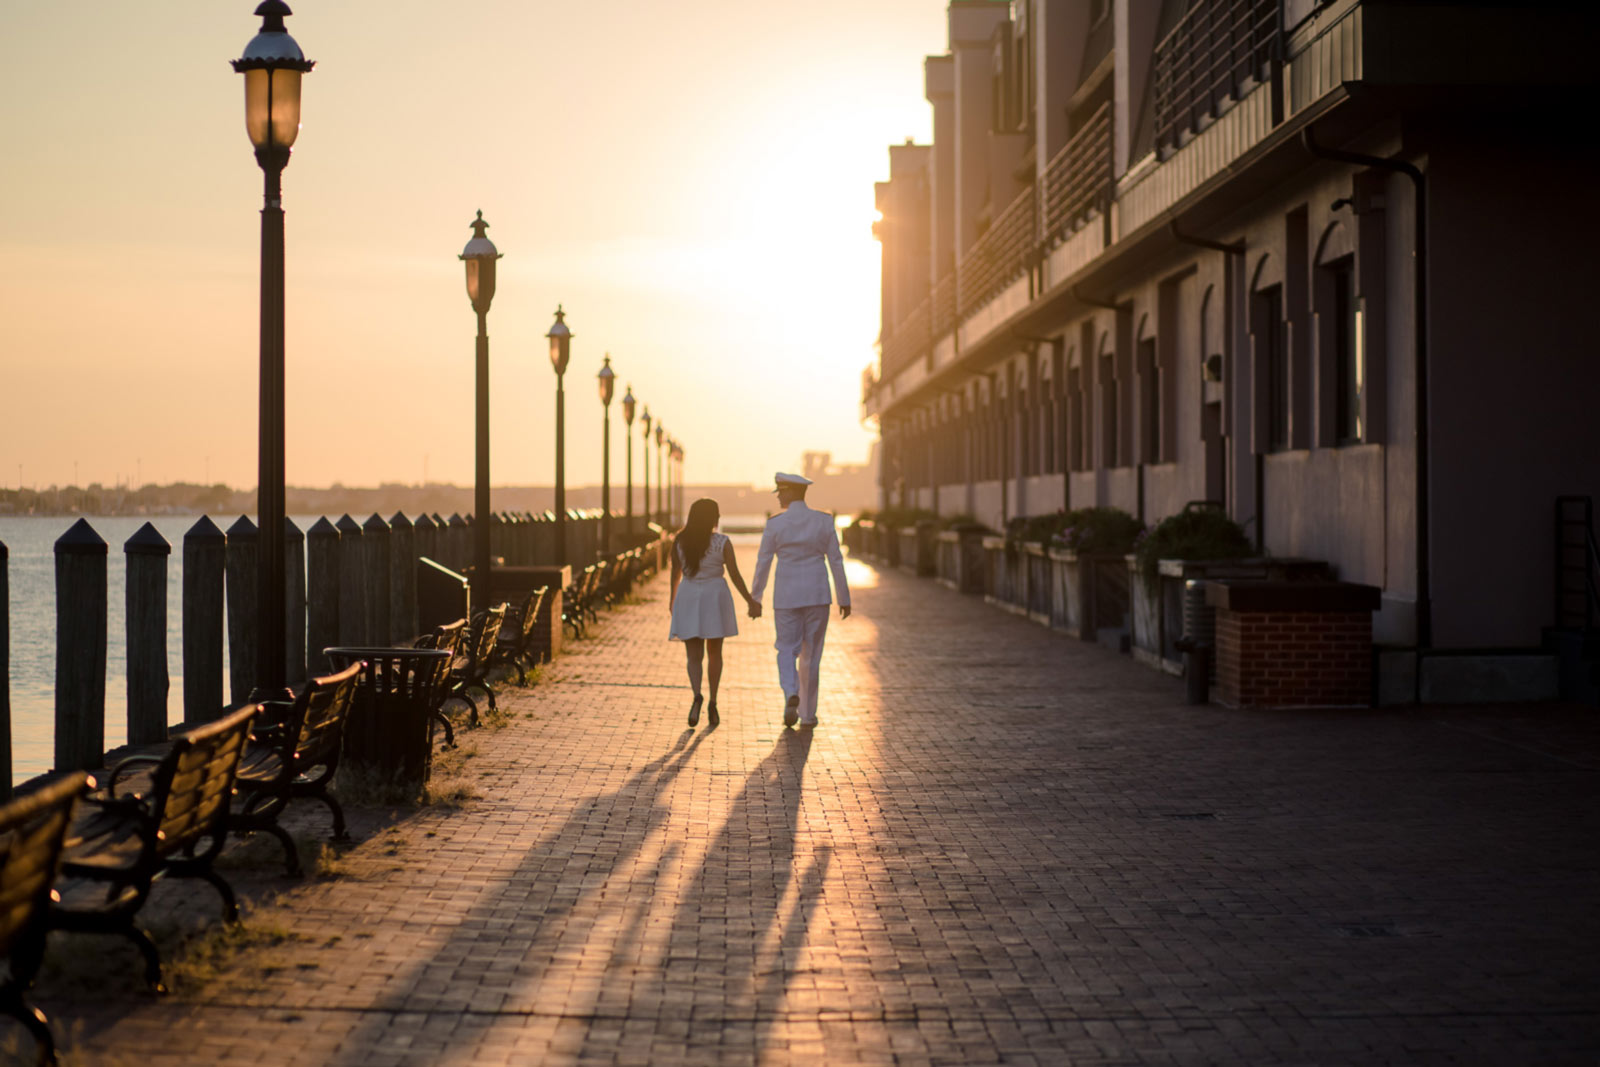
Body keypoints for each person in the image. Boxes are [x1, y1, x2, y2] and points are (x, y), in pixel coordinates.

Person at [747, 472, 851, 728]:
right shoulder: (824, 521)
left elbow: (764, 563)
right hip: (817, 594)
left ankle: (790, 691)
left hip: (786, 596)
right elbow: (836, 560)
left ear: (792, 492)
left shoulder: (775, 525)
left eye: (781, 492)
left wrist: (755, 597)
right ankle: (808, 714)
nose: (779, 496)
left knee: (786, 648)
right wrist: (844, 597)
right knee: (812, 656)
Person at [669, 497, 755, 727]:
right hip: (714, 596)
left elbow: (675, 573)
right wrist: (750, 600)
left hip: (688, 595)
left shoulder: (679, 541)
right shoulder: (722, 542)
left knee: (693, 655)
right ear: (714, 518)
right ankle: (713, 701)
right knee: (715, 653)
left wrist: (672, 600)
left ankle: (697, 695)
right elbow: (735, 574)